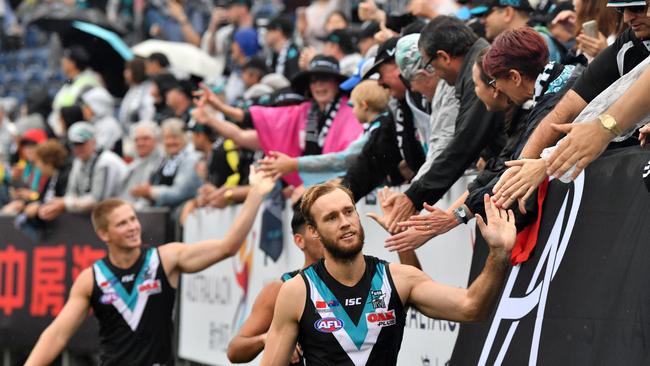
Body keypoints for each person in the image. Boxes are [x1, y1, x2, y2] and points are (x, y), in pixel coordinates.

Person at [24, 166, 278, 366]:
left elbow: (228, 247)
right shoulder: (92, 278)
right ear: (104, 234)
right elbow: (57, 334)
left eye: (133, 219)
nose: (133, 227)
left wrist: (255, 193)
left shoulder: (165, 259)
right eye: (122, 224)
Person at [259, 182, 516, 366]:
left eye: (349, 212)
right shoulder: (296, 291)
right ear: (313, 231)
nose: (345, 222)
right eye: (331, 218)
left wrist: (499, 253)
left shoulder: (400, 279)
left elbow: (472, 308)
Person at [390, 28, 579, 251]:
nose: (496, 89)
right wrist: (454, 215)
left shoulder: (548, 103)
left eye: (494, 82)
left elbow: (510, 175)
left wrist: (454, 217)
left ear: (515, 77)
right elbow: (500, 168)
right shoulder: (552, 88)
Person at [492, 0, 650, 209]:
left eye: (638, 8)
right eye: (622, 9)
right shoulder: (629, 42)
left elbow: (603, 123)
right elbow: (569, 107)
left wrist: (603, 129)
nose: (628, 17)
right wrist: (518, 172)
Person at [376, 16, 505, 233]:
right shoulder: (476, 65)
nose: (434, 73)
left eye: (429, 64)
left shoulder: (481, 67)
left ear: (444, 57)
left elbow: (463, 144)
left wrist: (415, 196)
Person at [192, 55, 363, 187]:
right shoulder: (304, 112)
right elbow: (246, 124)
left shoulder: (350, 112)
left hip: (340, 189)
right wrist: (217, 110)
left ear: (336, 83)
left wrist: (296, 168)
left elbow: (344, 159)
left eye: (324, 79)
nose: (319, 86)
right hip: (310, 190)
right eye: (314, 81)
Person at [227, 204, 324, 364]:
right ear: (300, 241)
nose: (327, 233)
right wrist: (267, 339)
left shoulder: (368, 279)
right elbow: (235, 350)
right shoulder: (280, 289)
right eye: (316, 230)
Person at [259, 79, 390, 187]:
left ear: (364, 105)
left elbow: (345, 159)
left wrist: (294, 164)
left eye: (353, 106)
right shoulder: (378, 127)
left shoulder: (378, 128)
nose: (352, 111)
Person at [38, 122, 127, 221]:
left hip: (120, 213)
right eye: (73, 144)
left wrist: (66, 203)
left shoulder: (106, 162)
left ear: (93, 141)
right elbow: (71, 192)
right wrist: (59, 205)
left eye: (81, 144)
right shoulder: (78, 162)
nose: (77, 148)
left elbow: (97, 201)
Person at [130, 118, 201, 210]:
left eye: (175, 137)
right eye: (166, 138)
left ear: (185, 138)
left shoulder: (190, 159)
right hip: (162, 214)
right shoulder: (165, 161)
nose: (170, 142)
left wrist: (151, 191)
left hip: (183, 212)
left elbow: (179, 193)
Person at [472, 0, 566, 62]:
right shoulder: (529, 41)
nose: (482, 21)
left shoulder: (536, 41)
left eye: (486, 14)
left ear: (507, 13)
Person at [120, 121, 165, 209]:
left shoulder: (162, 162)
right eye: (136, 140)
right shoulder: (133, 165)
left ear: (157, 140)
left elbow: (147, 202)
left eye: (145, 139)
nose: (140, 143)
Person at [80, 87, 123, 152]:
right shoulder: (96, 123)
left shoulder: (108, 124)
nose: (83, 110)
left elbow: (98, 150)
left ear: (96, 106)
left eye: (87, 106)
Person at [118, 57, 156, 129]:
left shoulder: (147, 88)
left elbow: (148, 113)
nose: (125, 73)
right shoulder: (133, 88)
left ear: (136, 71)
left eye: (128, 70)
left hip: (141, 131)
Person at [265, 15, 302, 80]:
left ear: (278, 32)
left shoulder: (293, 52)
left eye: (269, 31)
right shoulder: (274, 54)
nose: (266, 35)